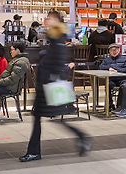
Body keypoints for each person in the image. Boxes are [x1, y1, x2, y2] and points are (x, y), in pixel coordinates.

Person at [21, 10, 90, 162]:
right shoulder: (55, 37)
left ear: (58, 21)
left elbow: (59, 60)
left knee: (47, 117)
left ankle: (35, 151)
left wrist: (50, 78)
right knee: (45, 117)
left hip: (50, 85)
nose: (48, 21)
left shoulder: (59, 38)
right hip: (47, 84)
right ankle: (81, 137)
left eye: (51, 18)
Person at [98, 43, 126, 110]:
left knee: (124, 86)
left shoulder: (125, 59)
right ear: (109, 52)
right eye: (112, 50)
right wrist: (109, 68)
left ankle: (121, 105)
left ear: (119, 50)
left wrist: (117, 70)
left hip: (122, 79)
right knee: (108, 85)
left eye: (115, 50)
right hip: (112, 79)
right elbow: (101, 67)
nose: (114, 52)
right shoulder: (106, 60)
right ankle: (110, 104)